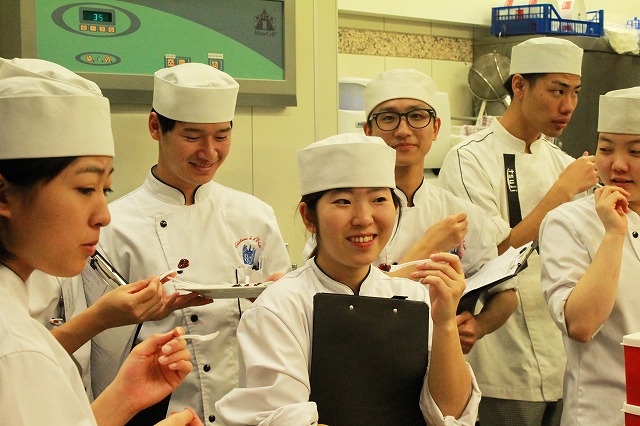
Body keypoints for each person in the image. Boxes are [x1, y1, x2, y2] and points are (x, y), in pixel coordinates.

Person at [216, 133, 481, 425]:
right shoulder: (279, 307)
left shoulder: (416, 297)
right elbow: (284, 419)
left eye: (379, 199)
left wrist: (445, 324)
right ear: (309, 217)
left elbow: (452, 414)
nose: (363, 218)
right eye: (343, 201)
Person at [0, 57, 201, 425]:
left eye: (104, 190)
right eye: (85, 188)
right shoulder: (15, 349)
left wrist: (123, 398)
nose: (103, 215)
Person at [94, 62, 291, 424]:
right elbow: (102, 350)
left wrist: (279, 298)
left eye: (221, 136)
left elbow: (287, 324)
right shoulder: (113, 225)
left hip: (249, 412)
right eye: (193, 136)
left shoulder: (254, 215)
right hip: (160, 415)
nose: (209, 152)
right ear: (156, 127)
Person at [438, 37, 599, 425]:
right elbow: (490, 254)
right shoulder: (469, 158)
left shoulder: (562, 161)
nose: (568, 106)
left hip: (563, 360)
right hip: (499, 360)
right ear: (520, 85)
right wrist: (561, 192)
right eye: (557, 91)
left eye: (575, 92)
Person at [362, 68, 518, 353]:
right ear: (368, 131)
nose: (403, 130)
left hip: (442, 363)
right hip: (367, 356)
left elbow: (504, 292)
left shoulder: (461, 214)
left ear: (435, 128)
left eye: (417, 116)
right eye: (388, 118)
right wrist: (429, 246)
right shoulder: (350, 216)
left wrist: (479, 325)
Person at [540, 87, 640, 425]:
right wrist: (613, 233)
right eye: (606, 149)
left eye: (636, 151)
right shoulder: (569, 222)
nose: (618, 165)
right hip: (604, 413)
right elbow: (581, 325)